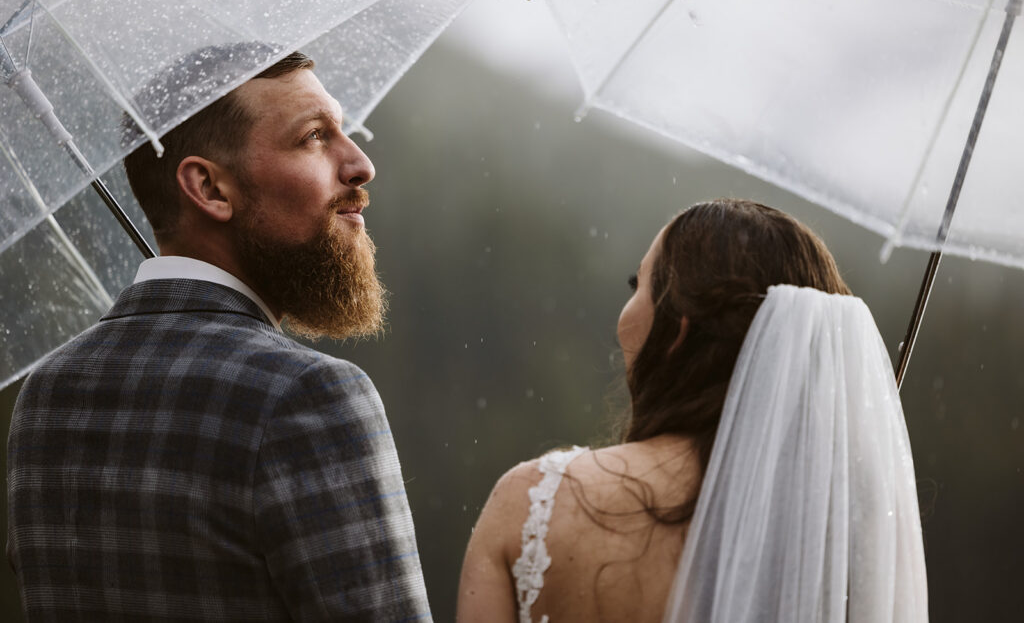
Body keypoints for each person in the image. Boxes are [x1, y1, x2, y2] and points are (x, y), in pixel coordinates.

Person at [7, 45, 432, 621]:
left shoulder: (47, 394)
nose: (359, 163)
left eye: (343, 129)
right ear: (208, 189)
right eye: (313, 137)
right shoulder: (307, 395)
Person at [456, 198, 928, 623]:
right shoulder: (858, 546)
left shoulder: (533, 503)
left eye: (636, 284)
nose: (623, 314)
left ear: (678, 332)